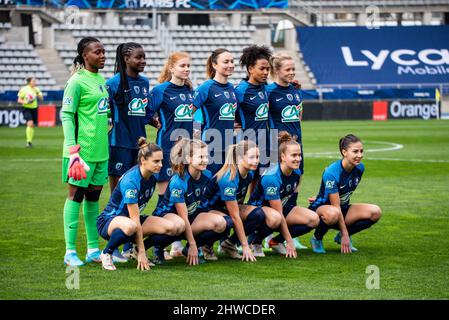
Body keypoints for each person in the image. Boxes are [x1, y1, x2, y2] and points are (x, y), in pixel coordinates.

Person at [96, 138, 186, 271]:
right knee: (131, 225)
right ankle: (106, 253)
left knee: (175, 226)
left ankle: (137, 250)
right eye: (156, 161)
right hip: (109, 221)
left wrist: (141, 249)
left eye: (161, 161)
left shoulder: (153, 175)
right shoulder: (131, 181)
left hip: (132, 221)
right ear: (143, 161)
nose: (160, 165)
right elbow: (134, 218)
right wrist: (144, 254)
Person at [61, 37, 109, 266]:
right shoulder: (76, 81)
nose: (102, 56)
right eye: (97, 52)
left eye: (103, 52)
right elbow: (67, 115)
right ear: (84, 55)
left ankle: (92, 249)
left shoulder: (100, 79)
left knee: (93, 199)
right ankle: (70, 252)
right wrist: (73, 151)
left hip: (101, 151)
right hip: (80, 154)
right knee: (76, 197)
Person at [106, 42, 155, 263]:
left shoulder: (144, 83)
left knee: (134, 196)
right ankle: (113, 246)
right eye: (139, 57)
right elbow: (102, 110)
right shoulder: (113, 83)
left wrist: (154, 122)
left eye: (144, 57)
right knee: (118, 196)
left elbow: (142, 113)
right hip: (119, 145)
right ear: (126, 58)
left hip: (139, 147)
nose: (143, 61)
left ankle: (129, 246)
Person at [153, 138, 233, 264]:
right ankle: (157, 248)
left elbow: (204, 202)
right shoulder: (179, 181)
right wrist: (193, 244)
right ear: (189, 159)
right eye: (200, 156)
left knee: (225, 223)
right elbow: (183, 216)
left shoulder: (207, 174)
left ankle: (186, 250)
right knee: (178, 225)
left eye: (206, 156)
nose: (205, 160)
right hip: (170, 218)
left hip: (191, 216)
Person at [149, 52, 195, 258]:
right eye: (182, 66)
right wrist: (156, 122)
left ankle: (176, 245)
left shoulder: (189, 90)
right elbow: (146, 111)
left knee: (179, 197)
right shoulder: (160, 90)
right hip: (166, 150)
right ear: (171, 68)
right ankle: (157, 246)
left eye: (188, 66)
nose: (186, 69)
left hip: (186, 151)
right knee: (164, 198)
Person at [248, 131, 318, 256]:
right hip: (257, 212)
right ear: (283, 157)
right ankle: (255, 241)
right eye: (294, 155)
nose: (298, 159)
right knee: (276, 218)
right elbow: (279, 213)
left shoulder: (296, 173)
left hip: (278, 210)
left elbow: (286, 205)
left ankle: (276, 242)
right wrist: (290, 241)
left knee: (313, 219)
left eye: (299, 155)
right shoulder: (272, 177)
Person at [309, 134, 382, 254]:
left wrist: (344, 233)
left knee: (375, 212)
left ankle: (339, 236)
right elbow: (335, 206)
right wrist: (346, 234)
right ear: (344, 152)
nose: (359, 155)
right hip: (322, 210)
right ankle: (317, 238)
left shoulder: (360, 168)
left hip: (342, 208)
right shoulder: (332, 172)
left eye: (361, 151)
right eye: (355, 151)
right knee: (333, 214)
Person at [265, 52, 308, 250]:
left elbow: (298, 116)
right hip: (276, 148)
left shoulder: (296, 91)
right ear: (276, 71)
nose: (292, 72)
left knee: (294, 187)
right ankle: (262, 234)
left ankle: (285, 234)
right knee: (268, 189)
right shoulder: (268, 91)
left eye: (293, 69)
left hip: (296, 146)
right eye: (288, 69)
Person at [200, 140, 265, 262]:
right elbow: (235, 217)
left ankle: (229, 244)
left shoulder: (249, 174)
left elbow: (238, 203)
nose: (256, 161)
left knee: (258, 214)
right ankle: (206, 245)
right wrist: (245, 246)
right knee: (228, 221)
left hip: (225, 209)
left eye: (257, 157)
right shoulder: (228, 179)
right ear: (239, 158)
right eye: (252, 157)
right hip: (208, 210)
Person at [193, 48, 238, 175]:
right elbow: (189, 114)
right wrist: (196, 138)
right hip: (211, 146)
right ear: (214, 65)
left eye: (232, 61)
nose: (230, 65)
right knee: (210, 187)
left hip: (230, 147)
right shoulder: (206, 87)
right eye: (226, 62)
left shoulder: (231, 88)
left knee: (226, 187)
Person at [234, 45, 272, 177]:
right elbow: (229, 111)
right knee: (246, 180)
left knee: (263, 183)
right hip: (248, 143)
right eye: (262, 69)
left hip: (266, 142)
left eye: (267, 69)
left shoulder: (265, 88)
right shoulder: (241, 90)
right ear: (250, 69)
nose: (266, 72)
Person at [17, 77, 43, 148]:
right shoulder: (24, 89)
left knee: (32, 125)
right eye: (33, 81)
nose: (35, 82)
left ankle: (30, 142)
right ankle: (28, 142)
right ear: (29, 82)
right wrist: (26, 101)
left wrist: (39, 95)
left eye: (35, 81)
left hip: (34, 108)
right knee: (30, 123)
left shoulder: (36, 89)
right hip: (26, 108)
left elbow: (41, 98)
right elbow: (19, 100)